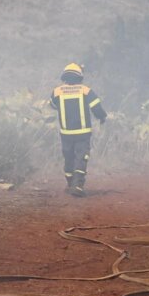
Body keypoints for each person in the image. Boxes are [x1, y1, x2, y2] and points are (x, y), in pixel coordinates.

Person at [50, 63, 107, 197]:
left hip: (66, 133)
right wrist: (102, 117)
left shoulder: (57, 91)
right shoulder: (86, 90)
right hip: (83, 133)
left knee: (68, 157)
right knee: (81, 157)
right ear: (79, 77)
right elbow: (96, 107)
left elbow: (52, 105)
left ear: (64, 76)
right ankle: (78, 185)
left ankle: (70, 184)